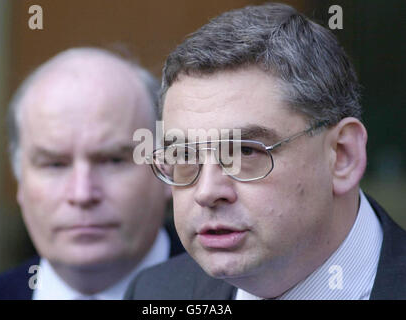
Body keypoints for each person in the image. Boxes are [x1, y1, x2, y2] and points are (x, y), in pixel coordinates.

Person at [125, 3, 406, 300]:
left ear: (342, 155)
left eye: (246, 151)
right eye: (183, 155)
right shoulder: (156, 293)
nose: (206, 192)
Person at [0, 47, 183, 300]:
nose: (82, 194)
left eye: (113, 161)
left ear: (167, 169)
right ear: (20, 180)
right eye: (54, 165)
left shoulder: (233, 292)